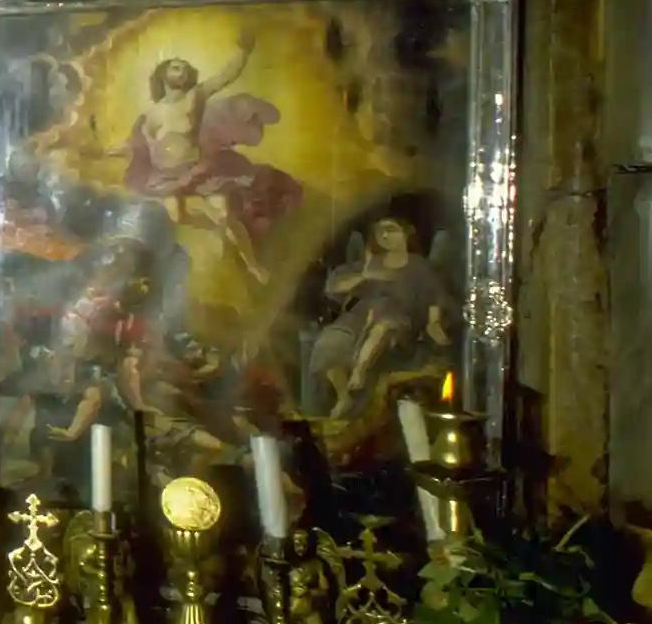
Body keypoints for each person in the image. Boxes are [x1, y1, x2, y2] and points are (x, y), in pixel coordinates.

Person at [121, 34, 302, 283]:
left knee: (226, 215)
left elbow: (226, 76)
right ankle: (214, 230)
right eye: (176, 67)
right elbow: (143, 143)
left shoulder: (195, 97)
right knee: (179, 217)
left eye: (184, 68)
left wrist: (243, 53)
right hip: (167, 175)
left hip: (197, 168)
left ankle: (252, 265)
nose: (181, 71)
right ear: (164, 74)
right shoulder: (153, 111)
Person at [307, 217, 456, 415]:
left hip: (397, 321)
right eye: (380, 232)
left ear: (406, 233)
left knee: (384, 326)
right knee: (330, 342)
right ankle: (344, 397)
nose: (385, 235)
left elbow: (435, 298)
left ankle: (360, 370)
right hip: (359, 319)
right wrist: (364, 277)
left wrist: (434, 323)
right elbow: (333, 288)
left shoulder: (419, 267)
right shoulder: (370, 264)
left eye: (390, 230)